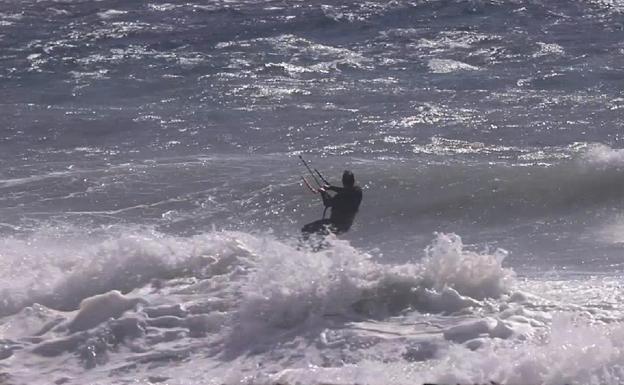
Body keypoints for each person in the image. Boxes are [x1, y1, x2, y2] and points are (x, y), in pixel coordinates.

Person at [301, 170, 363, 236]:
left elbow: (327, 203)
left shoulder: (340, 197)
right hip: (346, 226)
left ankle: (305, 246)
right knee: (321, 236)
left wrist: (323, 192)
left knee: (305, 229)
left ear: (343, 181)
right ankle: (320, 245)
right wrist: (330, 188)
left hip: (334, 225)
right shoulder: (358, 192)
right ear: (353, 181)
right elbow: (346, 191)